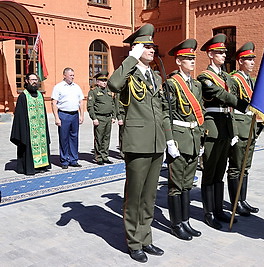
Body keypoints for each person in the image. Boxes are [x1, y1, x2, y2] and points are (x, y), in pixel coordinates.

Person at [107, 23, 166, 263]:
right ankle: (133, 242)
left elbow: (161, 110)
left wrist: (167, 140)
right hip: (136, 142)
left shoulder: (154, 76)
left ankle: (145, 237)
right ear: (136, 48)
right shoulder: (128, 72)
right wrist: (130, 59)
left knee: (149, 196)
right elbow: (113, 84)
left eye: (153, 46)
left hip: (156, 142)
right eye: (147, 46)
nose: (152, 50)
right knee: (134, 195)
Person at [197, 33, 248, 230]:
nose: (223, 56)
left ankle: (218, 210)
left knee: (220, 171)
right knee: (210, 171)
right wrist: (244, 105)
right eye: (219, 53)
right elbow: (220, 94)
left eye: (224, 53)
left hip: (226, 125)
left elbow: (233, 94)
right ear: (210, 54)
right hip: (213, 125)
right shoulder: (204, 77)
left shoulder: (227, 77)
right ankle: (209, 212)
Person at [163, 38, 204, 240]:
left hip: (194, 138)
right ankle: (175, 223)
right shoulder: (172, 84)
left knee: (188, 183)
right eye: (188, 58)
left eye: (193, 58)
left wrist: (202, 140)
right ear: (179, 62)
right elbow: (166, 114)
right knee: (176, 184)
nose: (192, 62)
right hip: (179, 139)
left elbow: (201, 112)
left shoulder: (195, 85)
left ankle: (186, 221)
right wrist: (169, 141)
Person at [227, 42, 260, 217]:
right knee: (235, 167)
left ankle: (242, 200)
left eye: (253, 59)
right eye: (248, 59)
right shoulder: (234, 80)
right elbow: (230, 107)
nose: (252, 62)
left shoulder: (251, 81)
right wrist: (233, 131)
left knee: (245, 167)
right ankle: (235, 203)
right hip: (240, 128)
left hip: (250, 129)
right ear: (240, 61)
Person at [10, 73, 51, 175]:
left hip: (40, 129)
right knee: (28, 146)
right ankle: (30, 167)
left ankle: (42, 165)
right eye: (32, 80)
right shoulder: (23, 97)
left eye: (36, 80)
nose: (34, 82)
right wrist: (22, 132)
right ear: (27, 81)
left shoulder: (40, 95)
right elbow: (19, 117)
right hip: (28, 129)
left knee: (42, 144)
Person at [51, 67, 84, 169]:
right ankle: (64, 160)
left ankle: (74, 159)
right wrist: (56, 117)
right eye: (70, 75)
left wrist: (81, 115)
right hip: (63, 115)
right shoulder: (58, 87)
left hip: (74, 114)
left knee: (74, 137)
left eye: (73, 75)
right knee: (64, 138)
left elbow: (81, 101)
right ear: (64, 75)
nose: (72, 77)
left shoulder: (76, 87)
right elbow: (54, 103)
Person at [87, 70, 115, 165]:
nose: (104, 82)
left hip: (108, 118)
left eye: (105, 80)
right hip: (99, 118)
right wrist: (94, 118)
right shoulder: (93, 92)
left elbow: (113, 104)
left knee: (107, 138)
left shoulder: (109, 91)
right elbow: (90, 106)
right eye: (102, 80)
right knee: (99, 138)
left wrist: (113, 116)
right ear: (97, 82)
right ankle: (98, 157)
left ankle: (105, 156)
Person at [114, 92, 125, 159]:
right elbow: (117, 106)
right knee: (122, 135)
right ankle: (123, 152)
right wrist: (119, 117)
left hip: (130, 115)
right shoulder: (119, 93)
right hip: (122, 115)